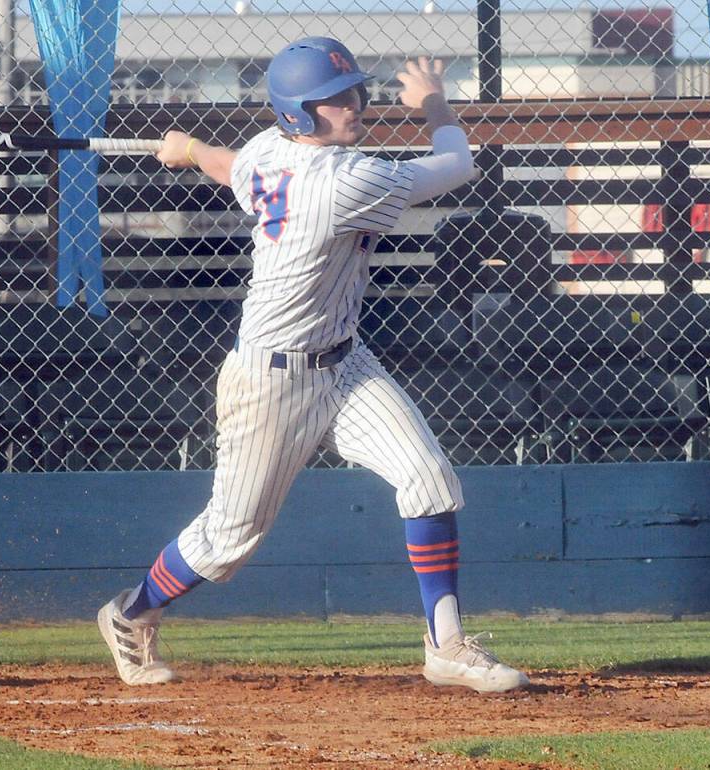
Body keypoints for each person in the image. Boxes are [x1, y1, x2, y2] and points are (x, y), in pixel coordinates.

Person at [97, 36, 529, 694]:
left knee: (428, 477)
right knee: (227, 540)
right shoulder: (346, 180)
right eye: (332, 101)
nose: (353, 106)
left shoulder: (274, 151)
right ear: (298, 115)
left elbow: (233, 164)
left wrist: (188, 151)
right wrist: (434, 103)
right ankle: (132, 613)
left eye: (353, 91)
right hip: (271, 383)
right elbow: (458, 160)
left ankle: (447, 646)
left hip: (346, 360)